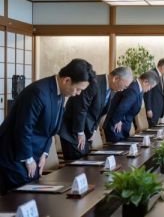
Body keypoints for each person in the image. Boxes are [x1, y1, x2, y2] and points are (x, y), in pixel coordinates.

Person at [0, 59, 95, 194]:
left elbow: (51, 130)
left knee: (34, 197)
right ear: (66, 80)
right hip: (15, 155)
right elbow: (23, 128)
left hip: (35, 154)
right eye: (78, 89)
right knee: (20, 198)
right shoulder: (38, 92)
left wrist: (44, 154)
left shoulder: (60, 93)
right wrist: (28, 158)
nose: (78, 93)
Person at [59, 67, 133, 160]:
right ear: (116, 78)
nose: (123, 90)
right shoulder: (94, 83)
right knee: (76, 165)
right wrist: (80, 132)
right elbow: (80, 108)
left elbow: (100, 112)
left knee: (85, 163)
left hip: (86, 131)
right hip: (73, 130)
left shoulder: (112, 89)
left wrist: (94, 130)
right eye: (124, 86)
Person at [104, 70, 159, 142]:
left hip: (123, 127)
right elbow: (123, 107)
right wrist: (118, 120)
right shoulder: (133, 88)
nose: (149, 90)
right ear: (145, 82)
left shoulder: (138, 88)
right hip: (116, 128)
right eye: (150, 87)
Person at [144, 58, 164, 127]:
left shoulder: (160, 75)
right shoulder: (152, 74)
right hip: (152, 110)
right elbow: (147, 93)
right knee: (152, 131)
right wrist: (149, 109)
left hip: (158, 110)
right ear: (162, 67)